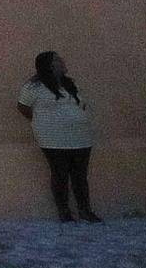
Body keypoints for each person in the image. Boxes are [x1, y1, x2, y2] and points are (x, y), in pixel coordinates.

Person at [16, 51, 99, 223]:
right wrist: (43, 121)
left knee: (80, 176)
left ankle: (85, 210)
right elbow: (23, 107)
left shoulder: (69, 84)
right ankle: (64, 212)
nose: (62, 62)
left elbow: (80, 105)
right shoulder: (33, 87)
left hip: (80, 138)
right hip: (54, 139)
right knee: (60, 174)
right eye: (58, 60)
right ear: (49, 65)